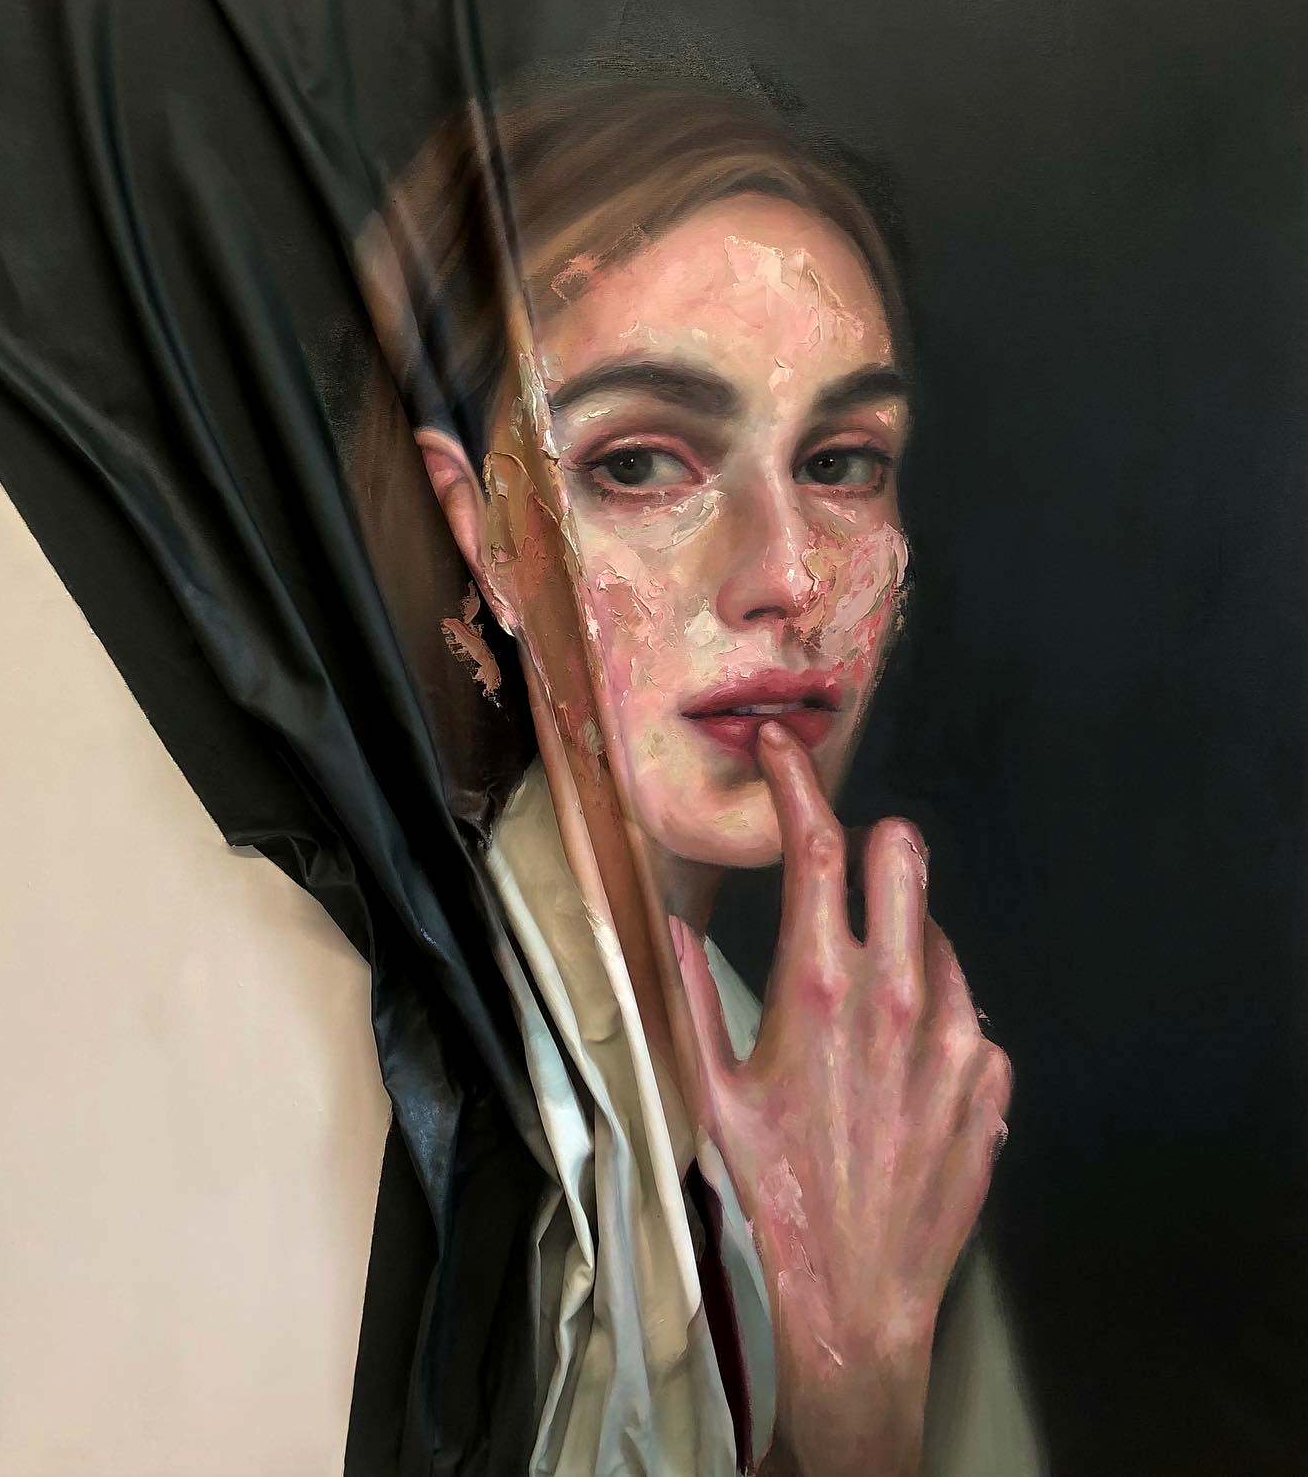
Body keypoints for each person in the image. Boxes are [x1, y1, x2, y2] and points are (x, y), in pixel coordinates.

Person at [350, 77, 1043, 1477]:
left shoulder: (876, 1135)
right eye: (643, 464)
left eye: (841, 462)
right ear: (484, 533)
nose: (787, 577)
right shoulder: (374, 1079)